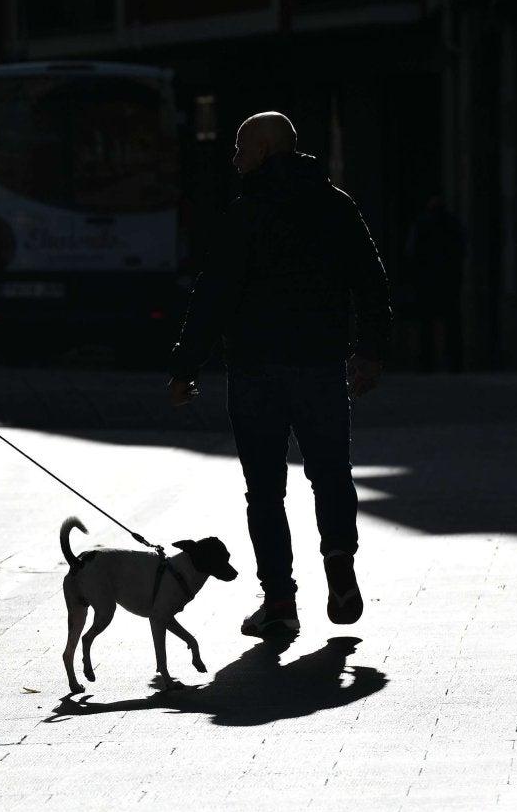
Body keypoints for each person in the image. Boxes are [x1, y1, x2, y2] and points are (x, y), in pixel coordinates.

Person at [167, 112, 391, 637]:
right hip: (320, 367)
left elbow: (212, 297)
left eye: (241, 147)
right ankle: (339, 560)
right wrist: (370, 352)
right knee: (331, 473)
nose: (235, 158)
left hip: (256, 372)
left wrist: (184, 369)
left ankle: (280, 602)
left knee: (265, 493)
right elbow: (371, 281)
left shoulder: (245, 213)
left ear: (265, 151)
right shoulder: (336, 205)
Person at [402, 195, 465, 372]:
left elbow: (411, 253)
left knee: (427, 323)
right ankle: (454, 361)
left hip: (427, 282)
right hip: (447, 281)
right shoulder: (452, 224)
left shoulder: (422, 224)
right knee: (451, 322)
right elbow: (461, 250)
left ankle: (427, 362)